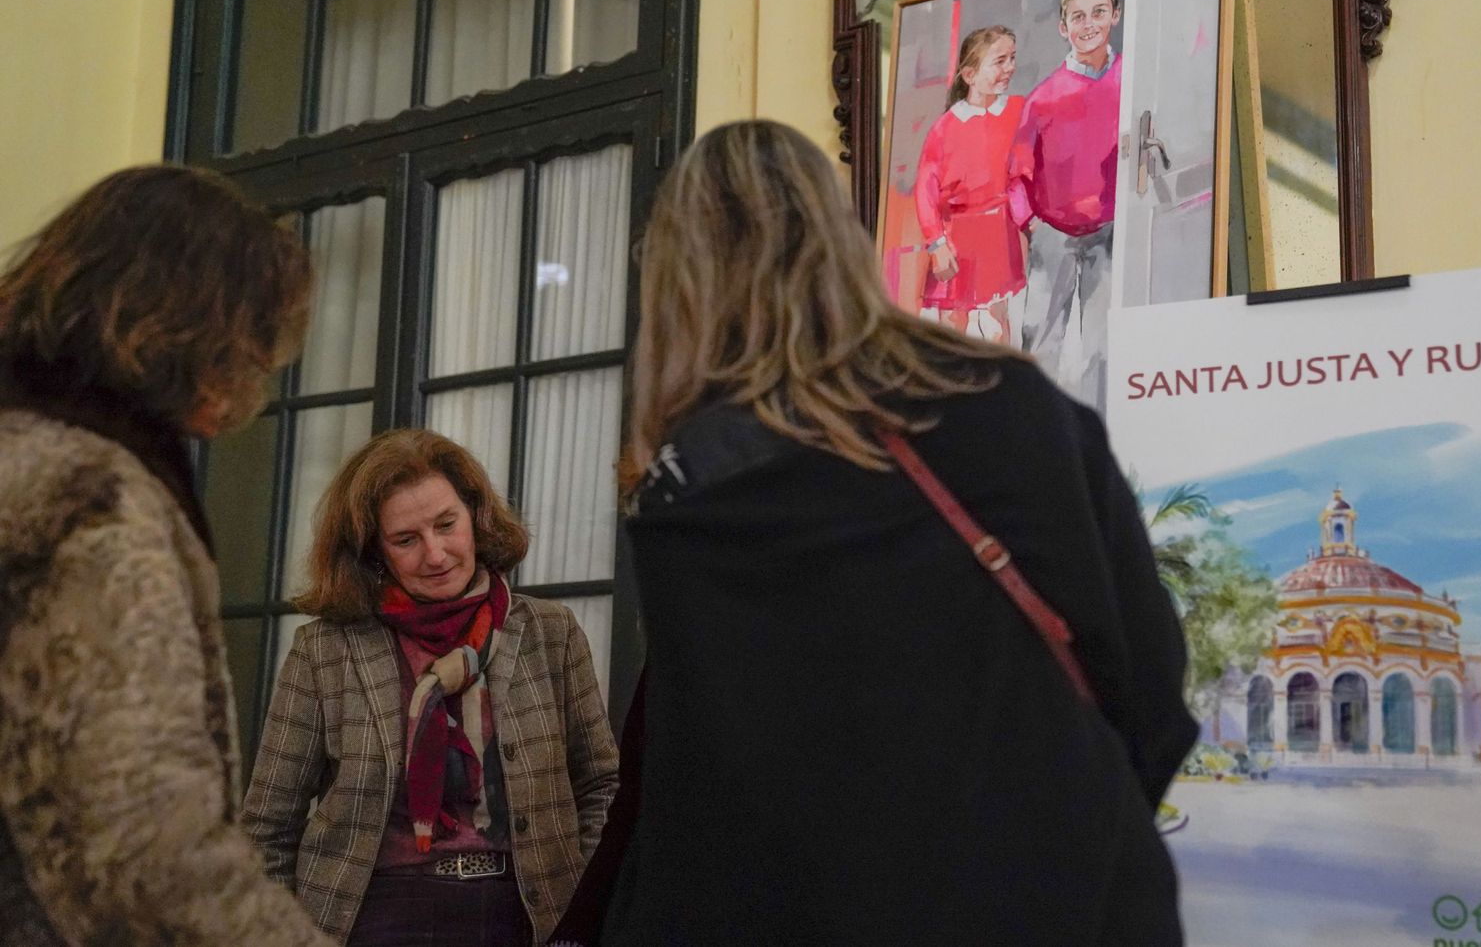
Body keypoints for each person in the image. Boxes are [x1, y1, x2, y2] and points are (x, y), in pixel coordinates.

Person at [593, 120, 1197, 945]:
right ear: (847, 238)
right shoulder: (1015, 402)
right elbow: (1149, 681)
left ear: (677, 275)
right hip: (1075, 896)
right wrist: (1063, 830)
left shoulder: (692, 487)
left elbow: (711, 810)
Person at [0, 165, 336, 945]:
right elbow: (145, 843)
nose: (254, 387)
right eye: (252, 349)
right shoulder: (89, 500)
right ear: (187, 330)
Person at [243, 428, 619, 946]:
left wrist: (586, 910)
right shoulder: (325, 651)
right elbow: (267, 826)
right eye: (406, 540)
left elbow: (601, 786)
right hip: (369, 917)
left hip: (532, 913)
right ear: (375, 553)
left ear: (476, 517)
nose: (436, 554)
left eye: (447, 525)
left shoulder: (549, 634)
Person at [1009, 0, 1125, 411]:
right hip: (1053, 233)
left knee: (1102, 338)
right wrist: (1030, 224)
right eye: (1077, 16)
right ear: (1063, 28)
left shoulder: (1131, 82)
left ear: (1115, 15)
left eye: (1098, 12)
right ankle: (1036, 429)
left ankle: (1100, 428)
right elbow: (1016, 173)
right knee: (1041, 335)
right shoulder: (1042, 98)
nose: (1088, 24)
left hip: (1110, 229)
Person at [913, 25, 1027, 344]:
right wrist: (936, 243)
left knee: (996, 324)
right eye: (1000, 61)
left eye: (1012, 59)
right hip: (955, 240)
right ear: (970, 74)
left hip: (999, 236)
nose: (1010, 68)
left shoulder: (1018, 111)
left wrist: (1025, 220)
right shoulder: (945, 128)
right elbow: (926, 189)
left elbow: (1027, 170)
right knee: (952, 323)